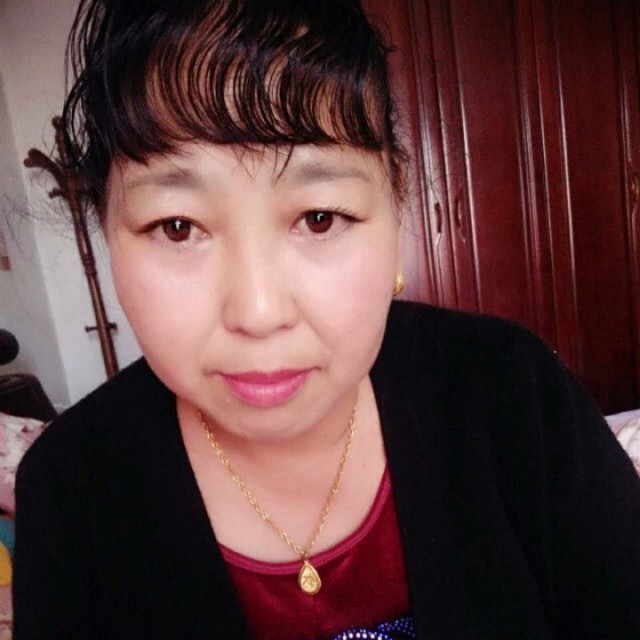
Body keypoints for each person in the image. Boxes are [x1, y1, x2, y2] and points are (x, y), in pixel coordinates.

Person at [11, 1, 640, 638]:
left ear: (396, 204)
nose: (259, 314)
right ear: (107, 228)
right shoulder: (69, 492)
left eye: (319, 218)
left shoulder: (513, 397)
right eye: (178, 227)